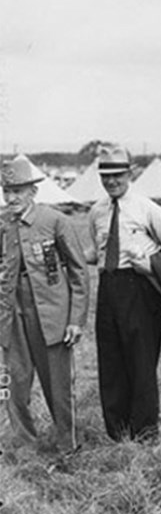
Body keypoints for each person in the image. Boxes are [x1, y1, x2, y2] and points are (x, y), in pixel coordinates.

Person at [88, 146, 161, 442]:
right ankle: (117, 433)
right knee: (111, 360)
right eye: (106, 176)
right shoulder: (96, 211)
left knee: (141, 361)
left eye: (117, 175)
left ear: (129, 174)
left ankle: (145, 433)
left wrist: (150, 263)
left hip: (140, 290)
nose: (111, 182)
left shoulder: (148, 209)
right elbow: (97, 251)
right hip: (108, 288)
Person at [1, 157, 89, 453]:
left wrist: (75, 319)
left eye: (17, 191)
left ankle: (67, 444)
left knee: (58, 383)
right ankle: (26, 444)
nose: (10, 198)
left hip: (52, 313)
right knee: (15, 383)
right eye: (6, 191)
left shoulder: (54, 221)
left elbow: (78, 272)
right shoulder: (2, 223)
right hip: (12, 313)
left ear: (33, 192)